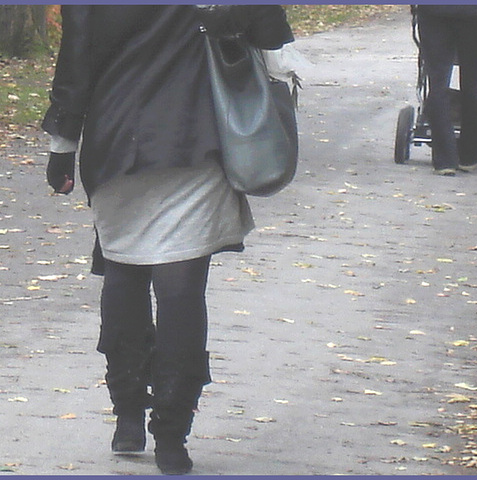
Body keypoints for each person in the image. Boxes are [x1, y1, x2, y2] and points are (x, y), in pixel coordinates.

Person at [41, 5, 293, 475]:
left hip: (117, 139)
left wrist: (63, 147)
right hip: (196, 133)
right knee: (180, 288)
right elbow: (267, 29)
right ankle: (172, 435)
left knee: (124, 272)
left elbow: (75, 58)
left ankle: (129, 418)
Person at [416, 5, 477, 176]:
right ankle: (470, 154)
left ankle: (444, 160)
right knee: (472, 82)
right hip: (473, 13)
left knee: (437, 83)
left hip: (433, 13)